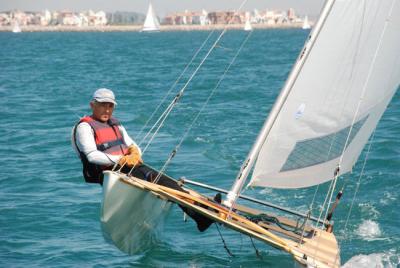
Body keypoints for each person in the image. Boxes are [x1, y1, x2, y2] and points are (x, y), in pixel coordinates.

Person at [72, 88, 214, 232]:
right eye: (103, 105)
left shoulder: (115, 124)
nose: (107, 110)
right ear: (92, 105)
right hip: (110, 174)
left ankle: (201, 214)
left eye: (110, 106)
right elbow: (91, 155)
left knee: (168, 183)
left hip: (128, 168)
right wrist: (121, 159)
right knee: (164, 185)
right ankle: (201, 216)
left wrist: (135, 153)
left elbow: (133, 145)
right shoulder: (84, 127)